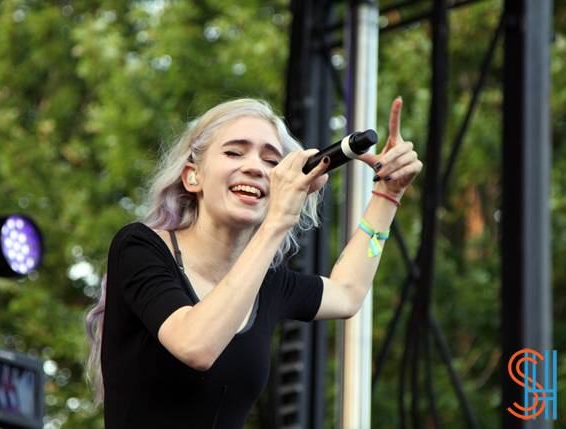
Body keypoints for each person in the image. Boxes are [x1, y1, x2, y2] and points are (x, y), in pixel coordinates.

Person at [85, 97, 422, 428]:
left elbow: (348, 292)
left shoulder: (268, 282)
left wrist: (388, 197)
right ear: (192, 177)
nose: (255, 167)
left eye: (272, 161)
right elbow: (196, 345)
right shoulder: (140, 246)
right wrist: (275, 224)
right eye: (234, 152)